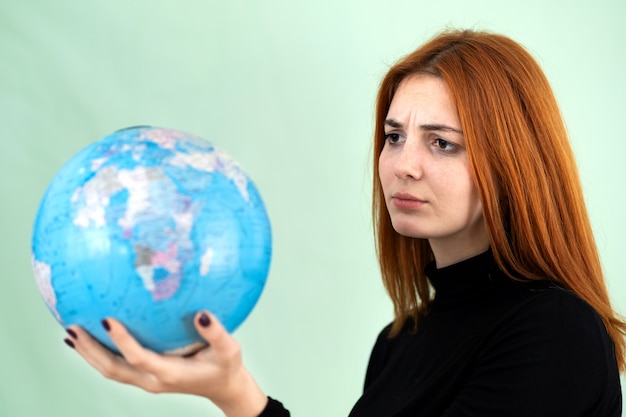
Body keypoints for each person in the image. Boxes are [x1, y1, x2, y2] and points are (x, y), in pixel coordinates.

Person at [63, 29, 625, 416]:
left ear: (514, 162)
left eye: (442, 143)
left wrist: (239, 395)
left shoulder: (557, 333)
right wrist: (233, 392)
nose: (404, 164)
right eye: (394, 136)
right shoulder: (399, 342)